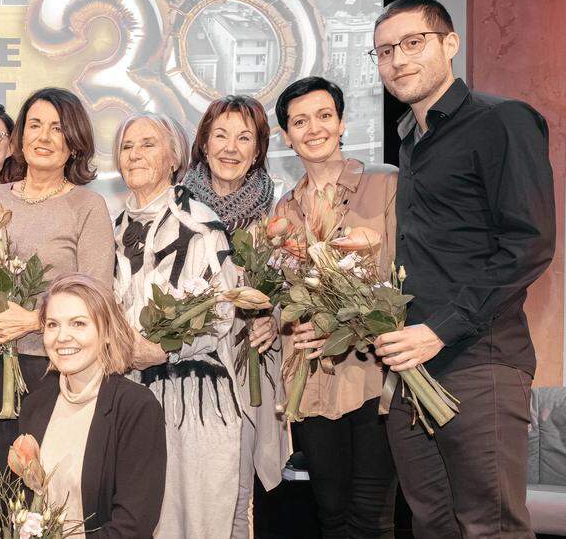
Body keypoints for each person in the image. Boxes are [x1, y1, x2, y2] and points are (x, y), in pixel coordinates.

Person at [371, 0, 555, 538]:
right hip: (413, 371)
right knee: (432, 526)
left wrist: (438, 330)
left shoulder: (500, 120)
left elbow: (528, 244)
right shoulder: (411, 139)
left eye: (412, 43)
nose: (398, 60)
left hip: (480, 362)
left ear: (450, 44)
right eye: (384, 51)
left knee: (490, 528)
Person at [0, 87, 116, 513]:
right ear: (18, 138)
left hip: (51, 371)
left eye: (58, 128)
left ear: (75, 140)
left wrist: (34, 320)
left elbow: (96, 293)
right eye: (35, 125)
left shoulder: (87, 206)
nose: (44, 137)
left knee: (40, 497)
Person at [111, 111, 261, 537]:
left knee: (195, 521)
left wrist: (166, 349)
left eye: (148, 144)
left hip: (194, 396)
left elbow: (222, 309)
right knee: (139, 517)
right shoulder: (113, 230)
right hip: (131, 393)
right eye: (127, 146)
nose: (135, 154)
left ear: (174, 156)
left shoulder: (201, 224)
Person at [273, 76, 399, 538]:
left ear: (342, 122)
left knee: (370, 519)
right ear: (287, 136)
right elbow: (286, 297)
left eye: (324, 116)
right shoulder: (283, 212)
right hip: (313, 386)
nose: (313, 129)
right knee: (331, 517)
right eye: (299, 121)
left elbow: (402, 282)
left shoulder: (385, 184)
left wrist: (341, 324)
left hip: (372, 376)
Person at [178, 97, 286, 537]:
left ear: (259, 150)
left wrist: (275, 319)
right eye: (220, 135)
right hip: (182, 373)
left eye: (245, 138)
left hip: (245, 375)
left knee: (236, 500)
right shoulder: (175, 210)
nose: (230, 147)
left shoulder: (277, 217)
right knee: (177, 494)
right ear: (203, 143)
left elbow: (290, 291)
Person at [18, 273, 167, 537]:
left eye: (78, 323)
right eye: (52, 325)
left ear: (107, 333)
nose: (62, 336)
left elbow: (133, 526)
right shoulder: (35, 405)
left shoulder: (136, 408)